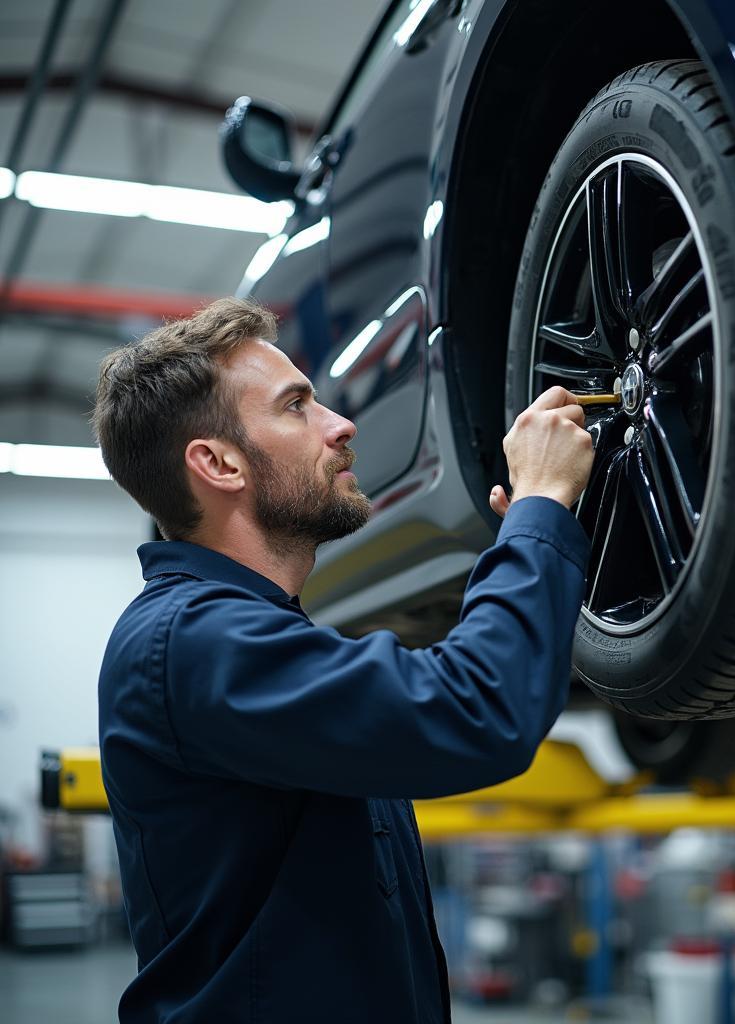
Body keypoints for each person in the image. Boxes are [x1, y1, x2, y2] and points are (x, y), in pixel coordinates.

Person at [93, 297, 594, 1023]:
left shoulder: (245, 635)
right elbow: (478, 710)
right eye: (297, 407)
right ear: (218, 462)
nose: (341, 424)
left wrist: (527, 540)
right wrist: (541, 509)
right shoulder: (193, 643)